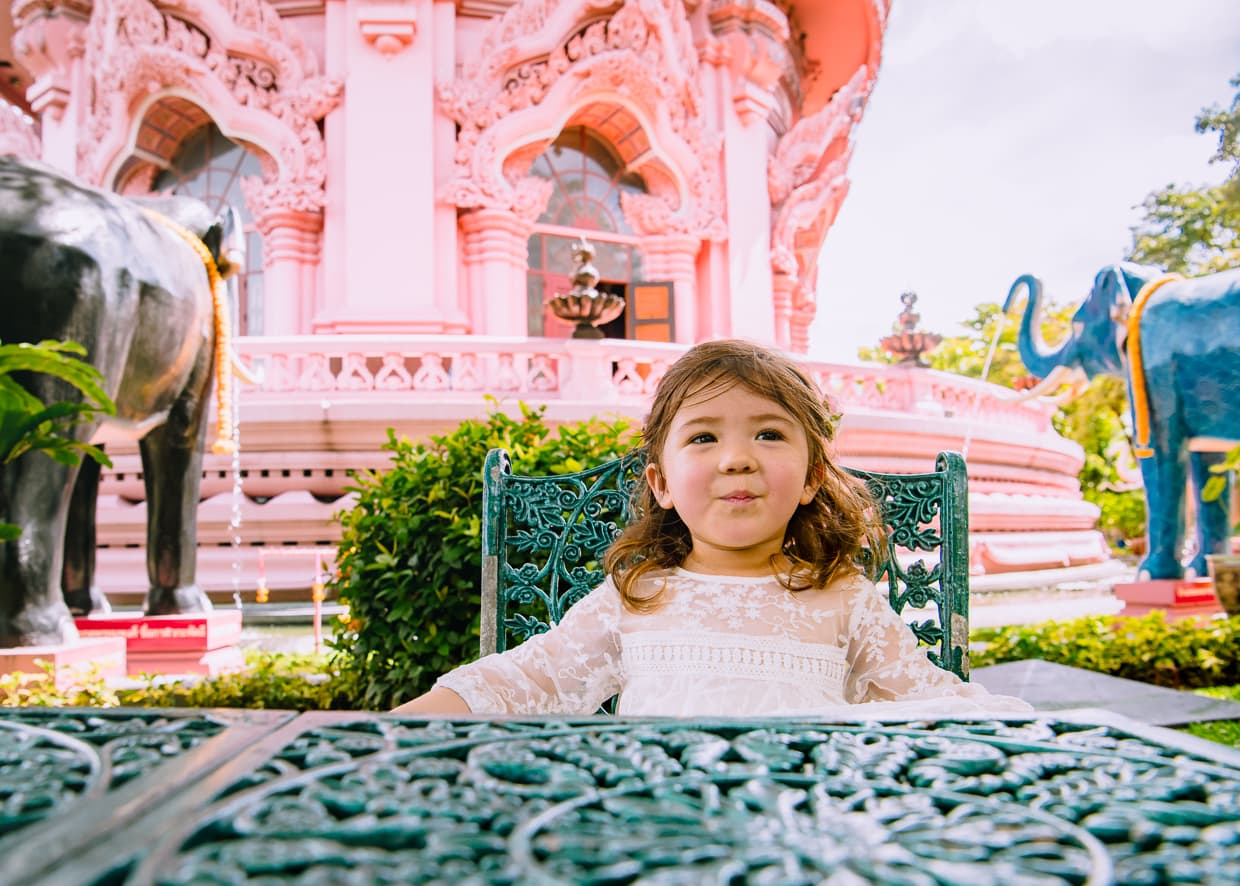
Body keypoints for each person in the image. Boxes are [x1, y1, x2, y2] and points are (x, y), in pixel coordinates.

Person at [393, 339, 1031, 718]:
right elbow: (525, 681)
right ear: (662, 484)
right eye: (703, 436)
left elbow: (936, 705)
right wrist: (387, 730)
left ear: (810, 477)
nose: (736, 457)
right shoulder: (636, 597)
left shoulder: (842, 600)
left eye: (769, 433)